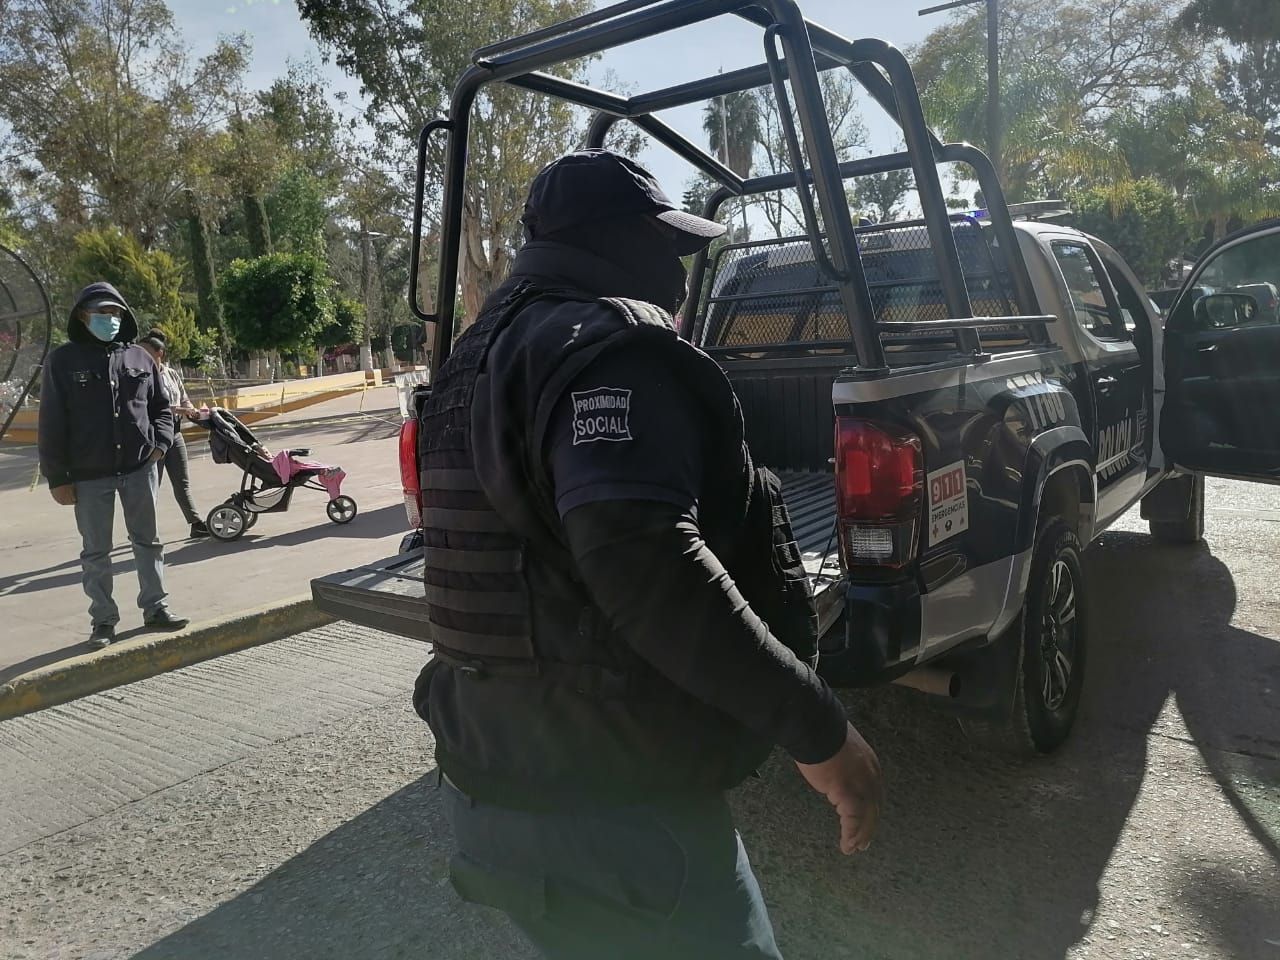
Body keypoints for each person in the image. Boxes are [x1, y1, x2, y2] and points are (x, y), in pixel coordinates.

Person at [414, 150, 883, 959]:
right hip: (612, 812)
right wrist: (820, 730)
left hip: (488, 787)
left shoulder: (469, 357)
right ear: (617, 240)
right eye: (669, 246)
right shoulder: (610, 349)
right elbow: (647, 566)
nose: (680, 274)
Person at [38, 282, 189, 648]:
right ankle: (103, 621)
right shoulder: (63, 361)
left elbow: (161, 407)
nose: (111, 319)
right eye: (103, 313)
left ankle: (156, 608)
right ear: (83, 316)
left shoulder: (139, 358)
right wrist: (57, 477)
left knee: (148, 541)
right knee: (96, 552)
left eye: (116, 313)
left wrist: (160, 445)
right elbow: (52, 422)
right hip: (89, 477)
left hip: (139, 469)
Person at [136, 330, 209, 538]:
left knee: (181, 482)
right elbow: (151, 407)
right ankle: (141, 528)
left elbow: (183, 397)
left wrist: (191, 410)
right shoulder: (141, 377)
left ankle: (195, 523)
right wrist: (180, 410)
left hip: (175, 434)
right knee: (152, 485)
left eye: (147, 351)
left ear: (160, 353)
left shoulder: (171, 373)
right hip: (154, 437)